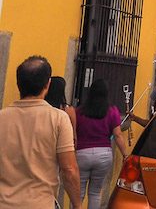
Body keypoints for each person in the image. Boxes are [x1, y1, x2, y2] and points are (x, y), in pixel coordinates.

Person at [0, 56, 81, 209]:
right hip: (41, 204)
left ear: (18, 84)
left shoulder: (2, 117)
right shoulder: (59, 118)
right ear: (48, 84)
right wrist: (77, 205)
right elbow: (69, 169)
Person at [75, 78, 129, 207]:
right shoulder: (112, 111)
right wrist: (125, 155)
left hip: (82, 154)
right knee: (95, 192)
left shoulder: (79, 112)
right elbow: (117, 134)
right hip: (104, 154)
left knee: (78, 192)